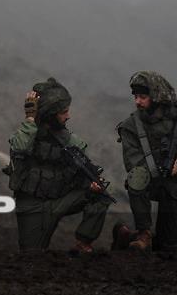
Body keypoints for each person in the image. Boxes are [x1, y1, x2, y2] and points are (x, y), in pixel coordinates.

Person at [8, 78, 109, 254]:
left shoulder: (69, 141)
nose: (68, 116)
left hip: (59, 201)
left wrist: (91, 185)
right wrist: (30, 118)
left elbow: (80, 173)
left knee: (102, 194)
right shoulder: (26, 135)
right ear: (49, 113)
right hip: (32, 207)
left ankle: (83, 242)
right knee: (31, 255)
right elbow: (20, 147)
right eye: (63, 112)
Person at [115, 71, 177, 253]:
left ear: (156, 96)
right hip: (147, 182)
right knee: (137, 176)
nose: (137, 101)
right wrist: (158, 165)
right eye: (135, 97)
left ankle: (126, 236)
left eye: (143, 97)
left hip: (173, 183)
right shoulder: (130, 126)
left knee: (167, 248)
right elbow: (133, 162)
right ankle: (143, 233)